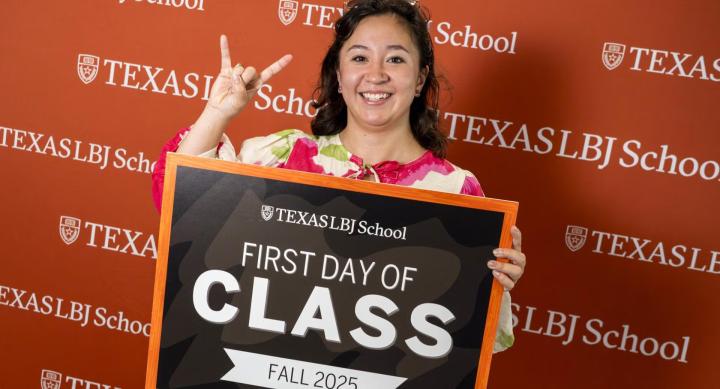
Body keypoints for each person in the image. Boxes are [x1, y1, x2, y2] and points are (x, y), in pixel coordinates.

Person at [152, 0, 525, 353]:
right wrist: (217, 113)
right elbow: (183, 211)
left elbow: (472, 343)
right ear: (340, 75)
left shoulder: (458, 191)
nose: (376, 75)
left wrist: (493, 285)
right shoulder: (281, 156)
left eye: (395, 59)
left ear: (419, 78)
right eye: (360, 57)